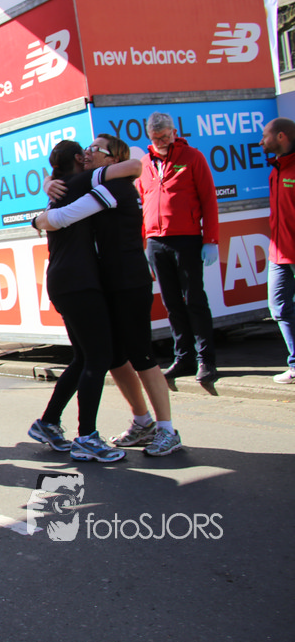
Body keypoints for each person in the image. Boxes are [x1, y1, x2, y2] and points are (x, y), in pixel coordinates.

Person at [35, 137, 183, 457]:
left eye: (95, 150)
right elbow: (63, 187)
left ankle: (167, 430)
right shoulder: (94, 184)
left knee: (141, 355)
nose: (87, 153)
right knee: (112, 357)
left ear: (113, 159)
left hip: (129, 282)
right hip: (107, 283)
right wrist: (48, 183)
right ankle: (142, 422)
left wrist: (38, 219)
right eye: (86, 149)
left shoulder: (114, 187)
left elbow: (62, 216)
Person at [28, 140, 127, 462]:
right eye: (85, 153)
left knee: (84, 358)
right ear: (76, 158)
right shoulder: (80, 182)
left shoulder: (58, 189)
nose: (89, 156)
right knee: (98, 358)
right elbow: (133, 167)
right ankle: (87, 437)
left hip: (64, 280)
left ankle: (48, 423)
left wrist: (48, 182)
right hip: (78, 282)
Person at [139, 112, 220, 384]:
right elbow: (143, 203)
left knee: (194, 300)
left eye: (165, 136)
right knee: (171, 303)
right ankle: (183, 357)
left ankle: (206, 359)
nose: (161, 141)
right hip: (156, 242)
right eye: (155, 138)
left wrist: (210, 240)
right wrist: (144, 243)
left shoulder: (193, 157)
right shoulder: (145, 164)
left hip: (186, 239)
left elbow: (209, 200)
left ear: (174, 132)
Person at [260, 117, 295, 384]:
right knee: (279, 307)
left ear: (281, 136)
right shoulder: (276, 169)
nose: (261, 141)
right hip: (279, 253)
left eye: (265, 136)